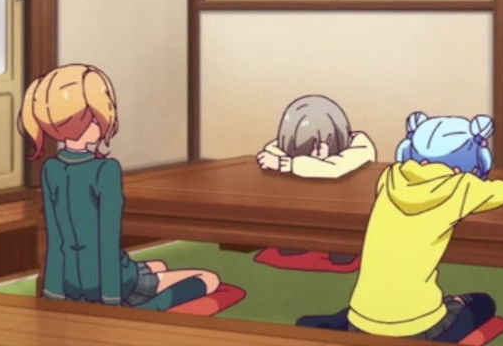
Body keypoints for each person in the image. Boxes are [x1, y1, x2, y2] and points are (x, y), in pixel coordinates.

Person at [297, 111, 503, 342]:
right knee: (482, 303)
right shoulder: (462, 186)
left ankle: (345, 323)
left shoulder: (390, 176)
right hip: (418, 326)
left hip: (360, 316)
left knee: (379, 302)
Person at [19, 63, 219, 308]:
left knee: (157, 265)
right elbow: (108, 241)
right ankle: (151, 299)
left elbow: (56, 239)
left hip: (69, 283)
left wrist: (54, 295)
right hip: (114, 284)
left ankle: (143, 275)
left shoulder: (51, 169)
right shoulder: (106, 170)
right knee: (209, 279)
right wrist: (111, 301)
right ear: (91, 117)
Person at [255, 94, 377, 268]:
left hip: (345, 214)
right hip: (302, 209)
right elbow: (271, 151)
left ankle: (340, 246)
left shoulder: (361, 146)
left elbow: (334, 169)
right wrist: (306, 161)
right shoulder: (281, 149)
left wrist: (289, 164)